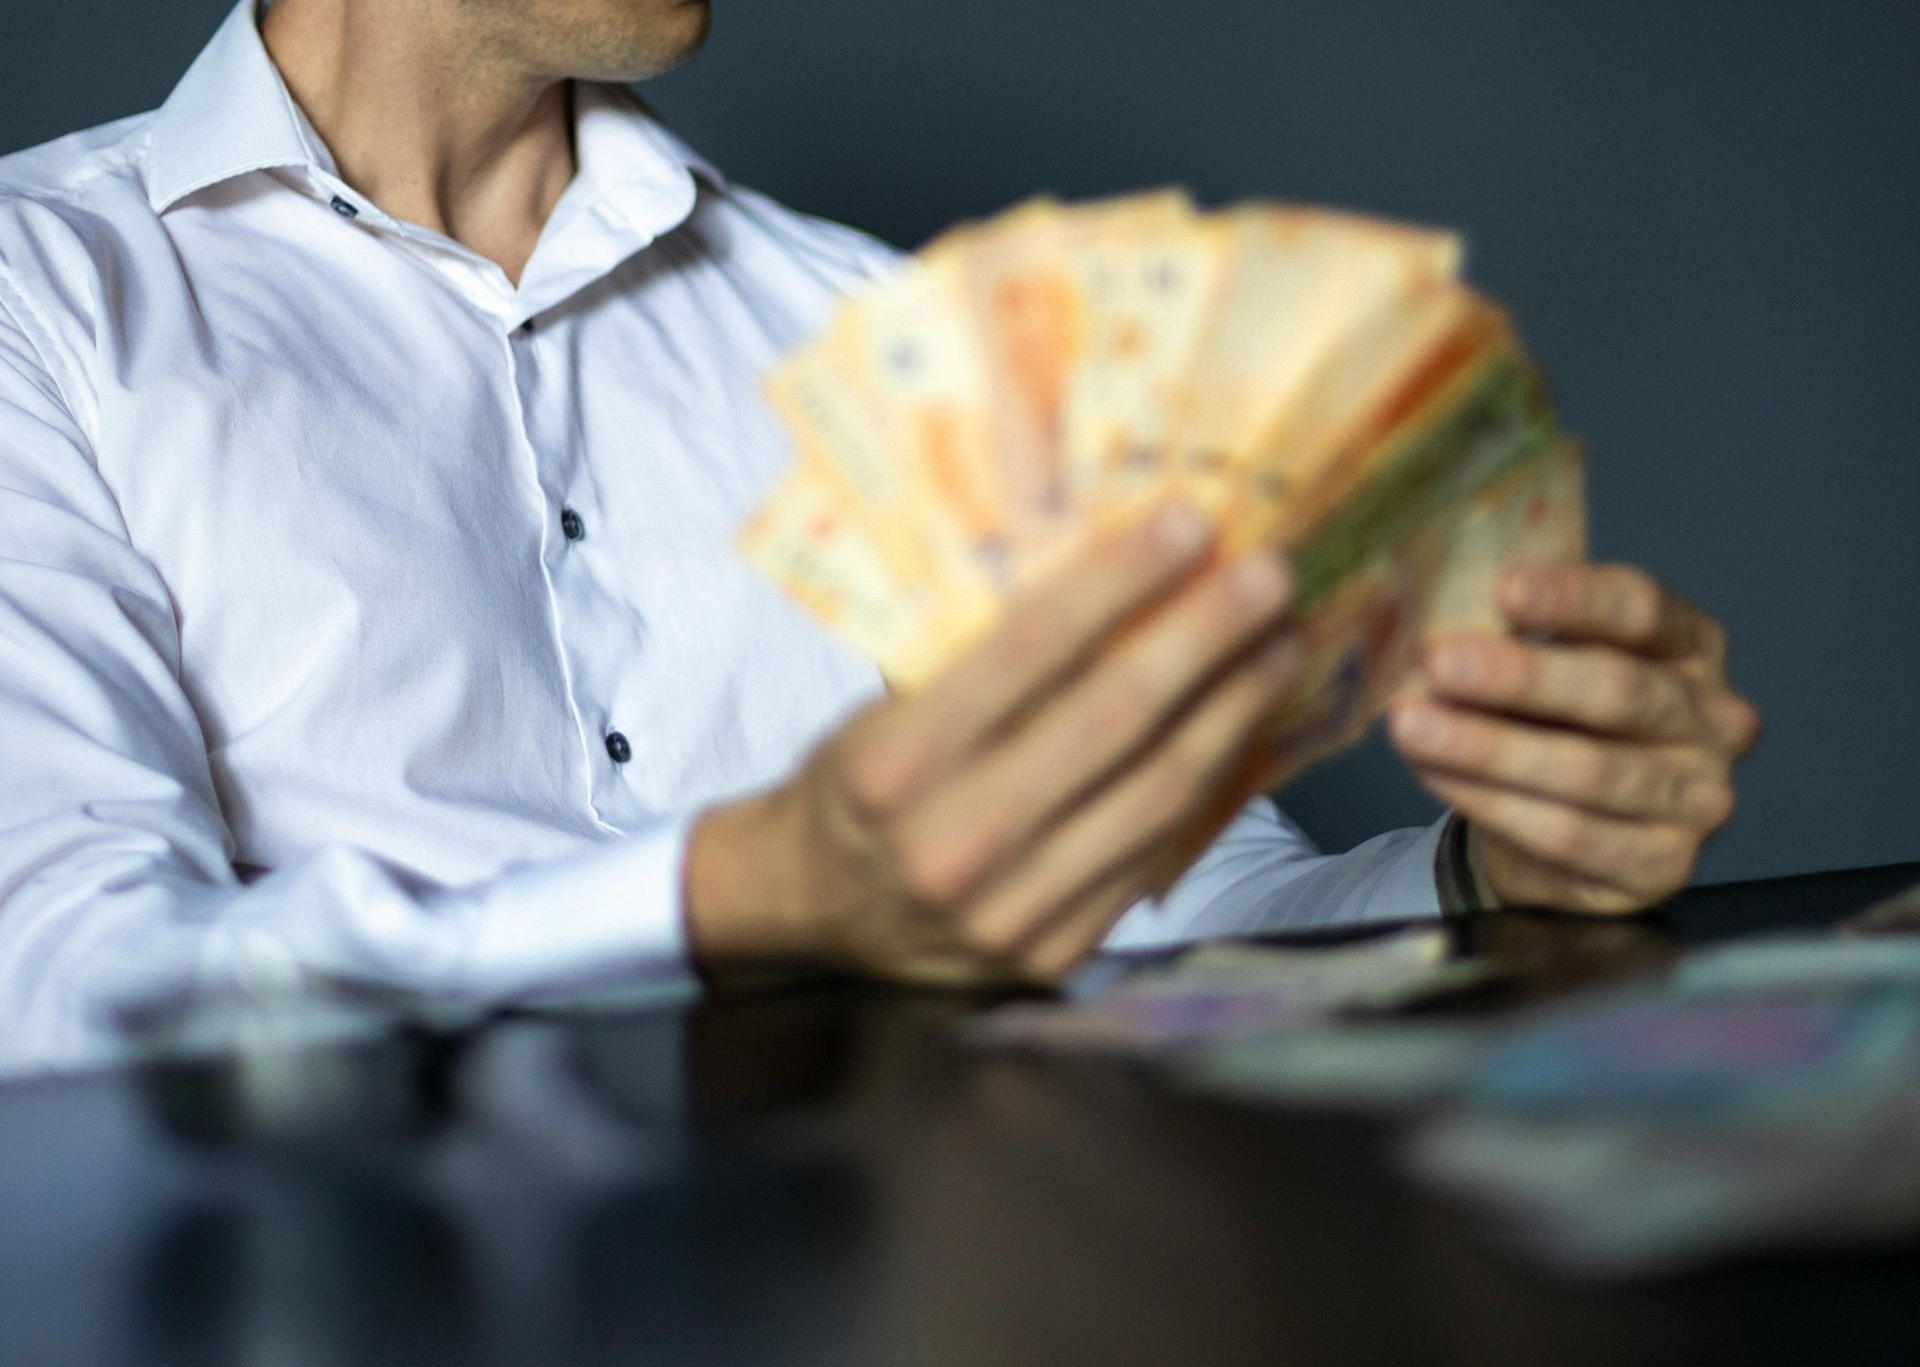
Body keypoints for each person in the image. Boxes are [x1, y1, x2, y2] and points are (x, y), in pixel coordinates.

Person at [0, 0, 1759, 1073]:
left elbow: (1176, 898)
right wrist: (734, 893)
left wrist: (1483, 878)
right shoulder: (41, 299)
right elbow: (65, 997)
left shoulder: (878, 329)